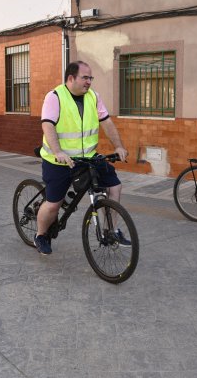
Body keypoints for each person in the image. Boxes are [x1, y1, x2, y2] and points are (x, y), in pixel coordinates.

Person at [34, 61, 129, 255]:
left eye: (90, 78)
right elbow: (48, 125)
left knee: (115, 187)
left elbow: (107, 122)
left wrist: (118, 146)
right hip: (59, 161)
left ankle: (110, 230)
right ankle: (41, 235)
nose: (89, 82)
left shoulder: (93, 97)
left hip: (88, 158)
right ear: (71, 78)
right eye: (85, 77)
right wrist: (58, 152)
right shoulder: (55, 97)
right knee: (54, 204)